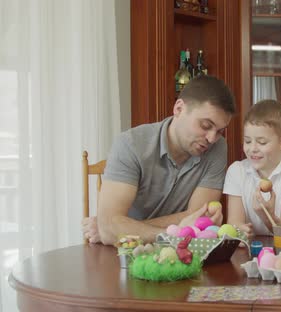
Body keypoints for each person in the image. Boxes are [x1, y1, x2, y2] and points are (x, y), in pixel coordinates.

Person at [82, 76, 236, 245]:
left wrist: (121, 228)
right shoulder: (130, 145)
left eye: (220, 131)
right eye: (205, 126)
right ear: (179, 109)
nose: (212, 138)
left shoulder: (218, 147)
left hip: (174, 250)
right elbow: (109, 230)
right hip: (125, 253)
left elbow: (199, 218)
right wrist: (174, 233)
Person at [224, 100, 281, 239]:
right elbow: (235, 222)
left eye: (262, 142)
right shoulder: (236, 171)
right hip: (253, 249)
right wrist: (239, 231)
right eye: (247, 141)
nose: (252, 148)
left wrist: (266, 215)